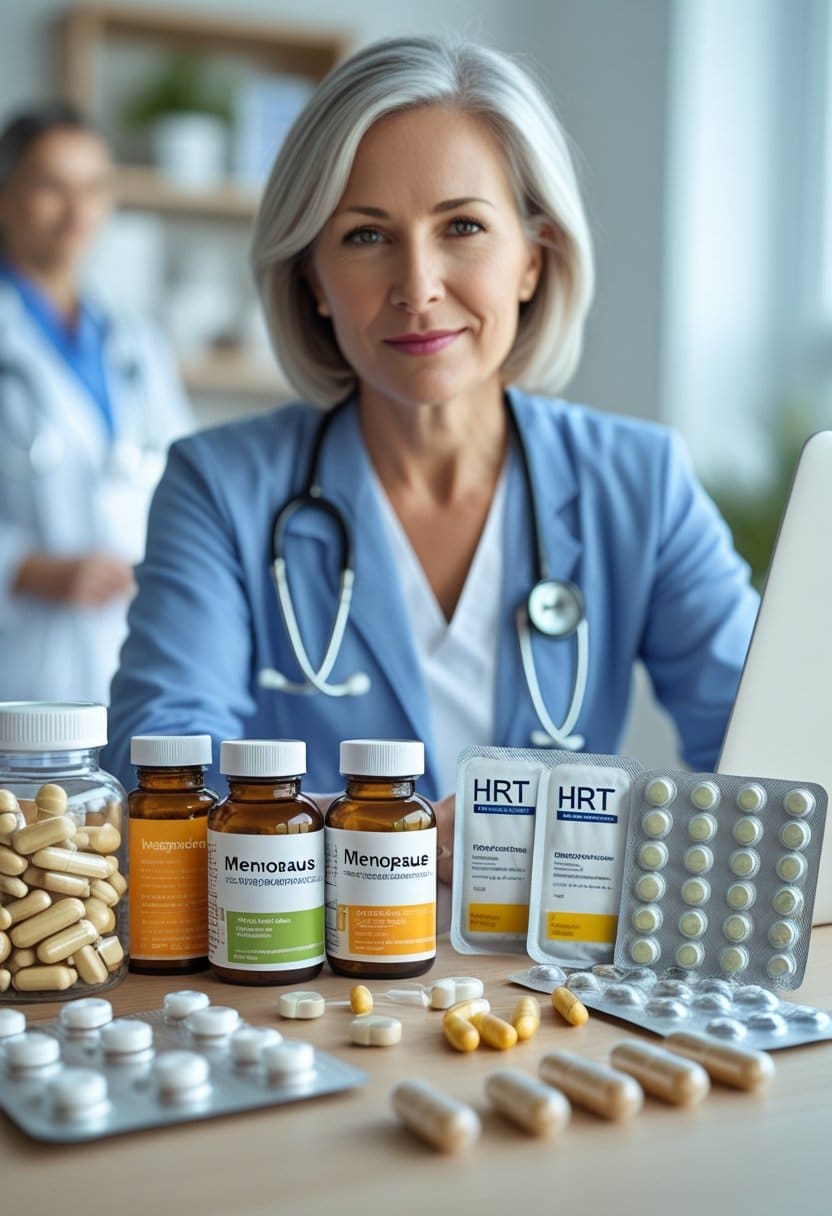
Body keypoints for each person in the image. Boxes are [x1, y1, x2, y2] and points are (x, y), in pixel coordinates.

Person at [104, 37, 758, 875]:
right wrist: (384, 833)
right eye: (367, 236)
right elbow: (157, 776)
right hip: (311, 980)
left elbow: (766, 757)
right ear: (312, 277)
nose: (418, 286)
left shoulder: (641, 484)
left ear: (533, 258)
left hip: (550, 992)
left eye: (462, 226)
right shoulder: (222, 489)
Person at [0, 102, 191, 703]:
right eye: (52, 187)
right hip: (24, 655)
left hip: (130, 644)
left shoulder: (136, 342)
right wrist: (31, 571)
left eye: (94, 187)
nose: (78, 211)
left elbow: (184, 476)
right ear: (6, 198)